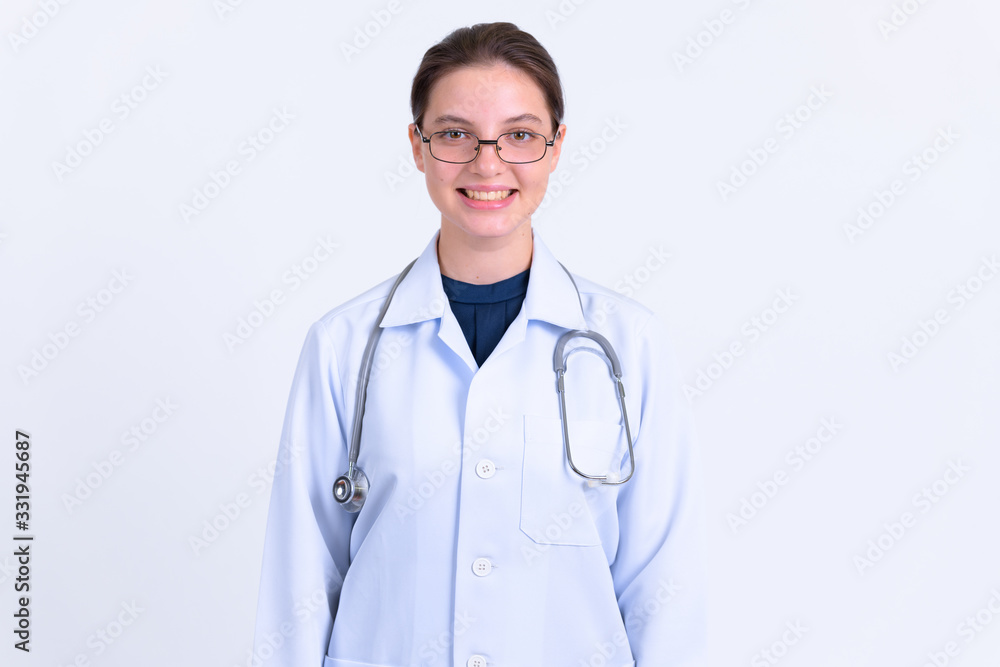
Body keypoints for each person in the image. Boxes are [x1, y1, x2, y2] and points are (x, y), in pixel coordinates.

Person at [252, 22, 705, 667]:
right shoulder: (343, 347)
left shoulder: (628, 345)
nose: (487, 163)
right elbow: (298, 584)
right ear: (417, 146)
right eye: (455, 134)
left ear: (555, 148)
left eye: (519, 135)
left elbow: (666, 587)